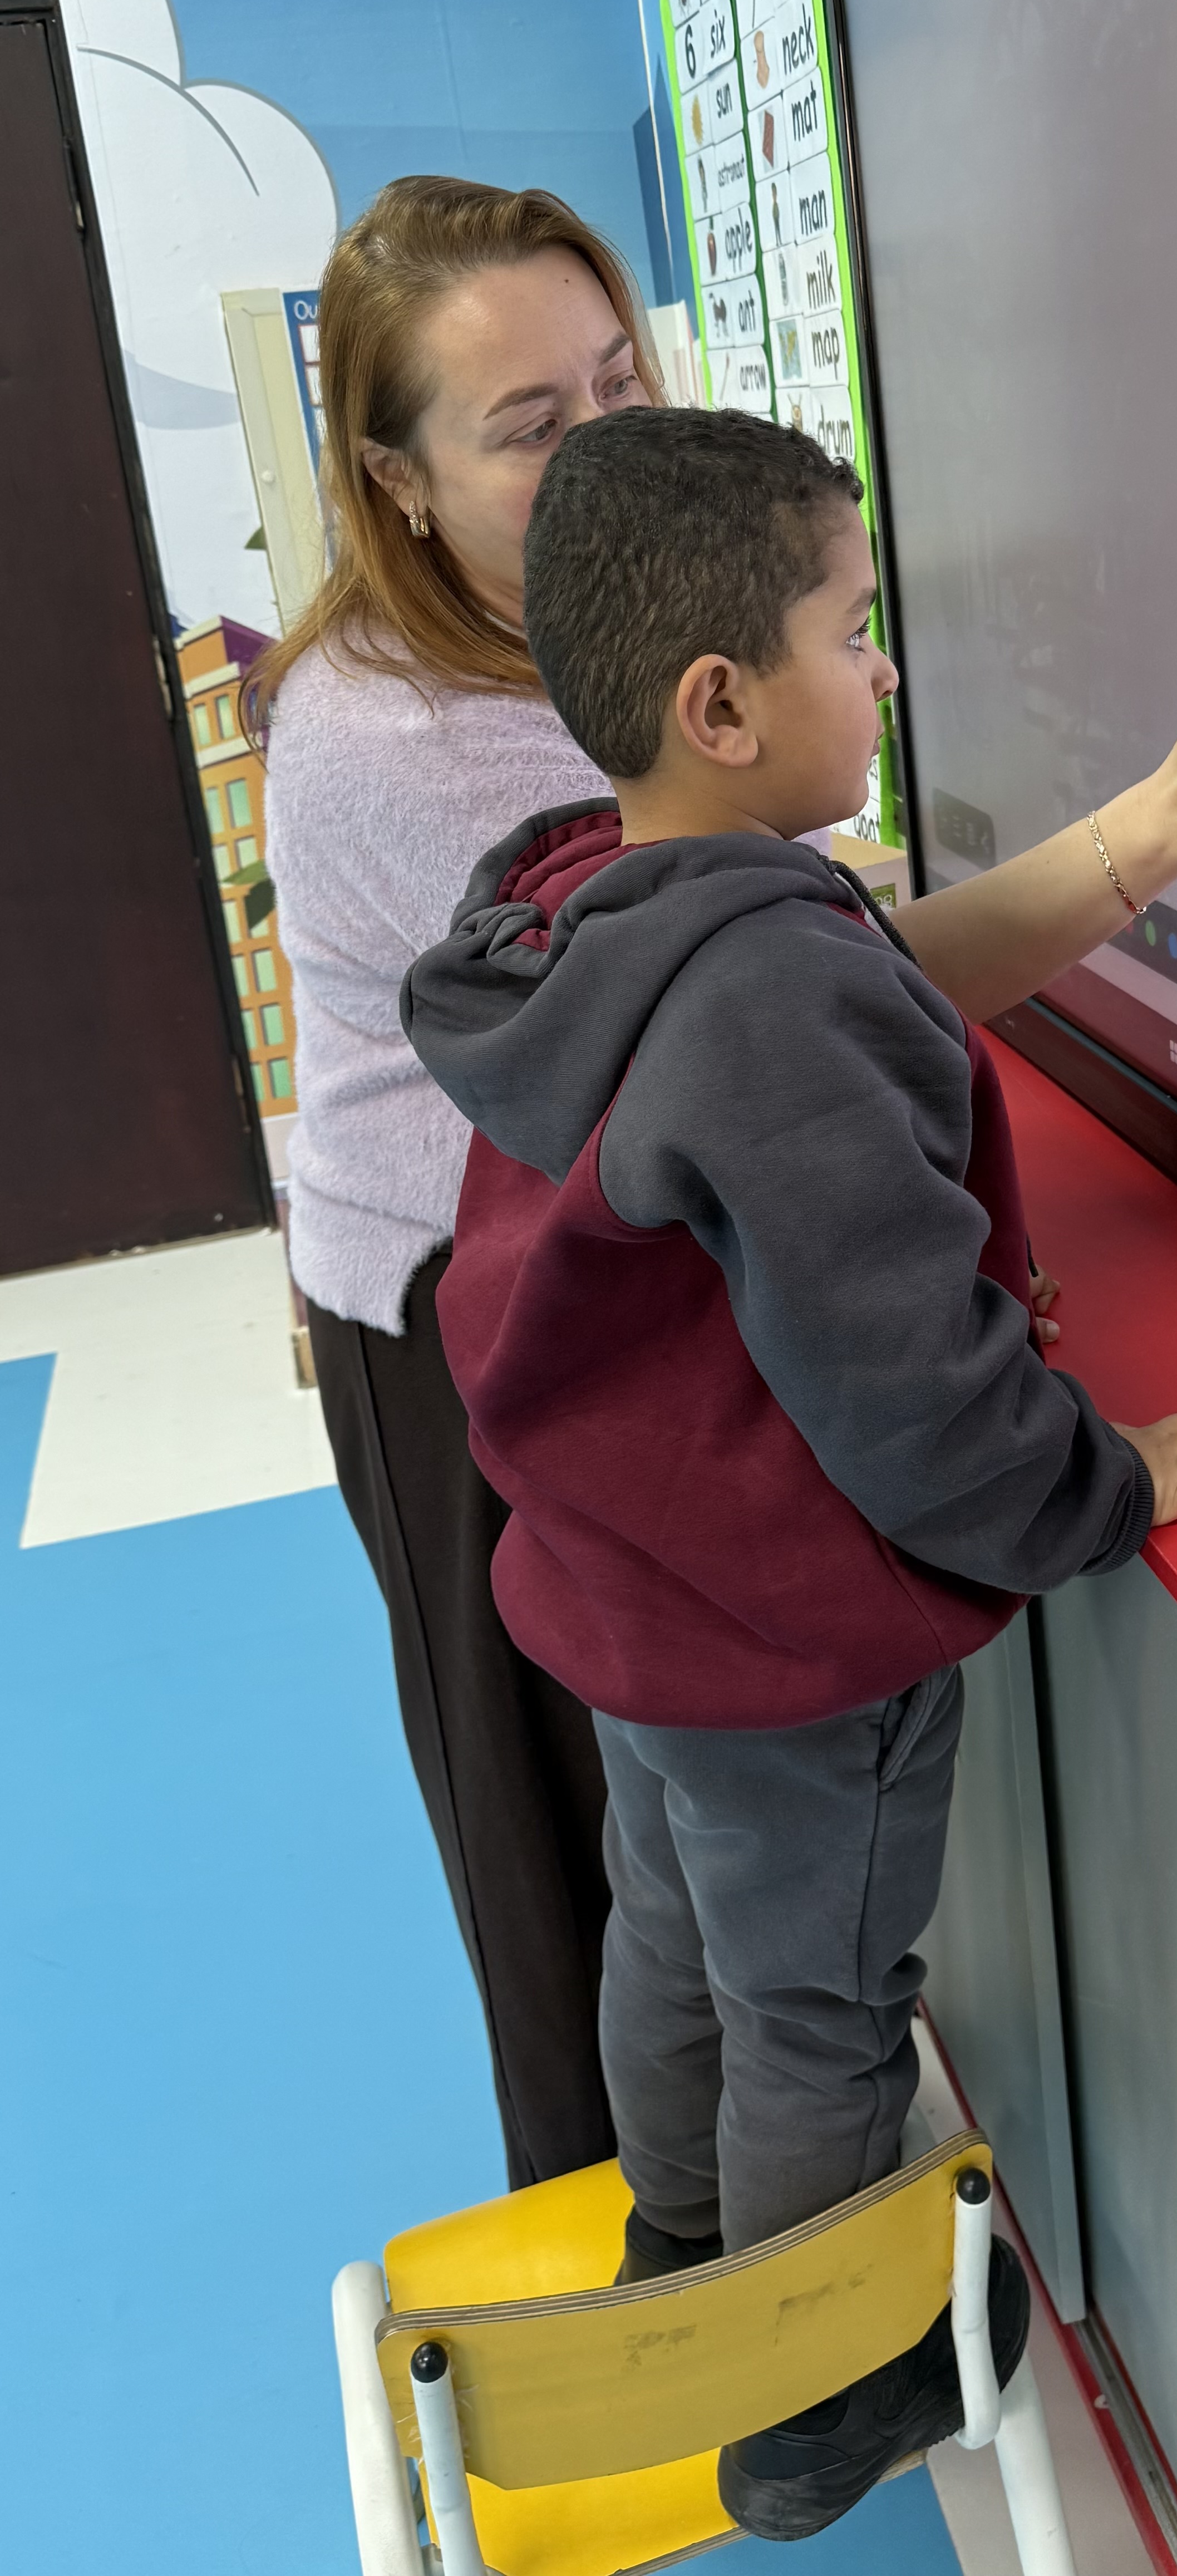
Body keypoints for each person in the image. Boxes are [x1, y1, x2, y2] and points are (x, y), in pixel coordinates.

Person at [403, 403, 1177, 2536]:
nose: (888, 668)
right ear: (723, 705)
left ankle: (683, 2241)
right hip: (783, 1654)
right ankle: (813, 2397)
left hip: (631, 1601)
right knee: (825, 2006)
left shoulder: (587, 912)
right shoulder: (768, 990)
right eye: (854, 632)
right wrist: (1100, 1485)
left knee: (675, 1934)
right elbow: (917, 1396)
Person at [253, 176, 667, 2191]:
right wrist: (1128, 849)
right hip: (453, 1325)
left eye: (621, 382)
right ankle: (645, 2274)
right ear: (398, 482)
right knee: (557, 1854)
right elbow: (734, 995)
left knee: (666, 1822)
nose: (605, 444)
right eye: (531, 426)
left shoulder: (581, 624)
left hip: (590, 1271)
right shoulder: (408, 738)